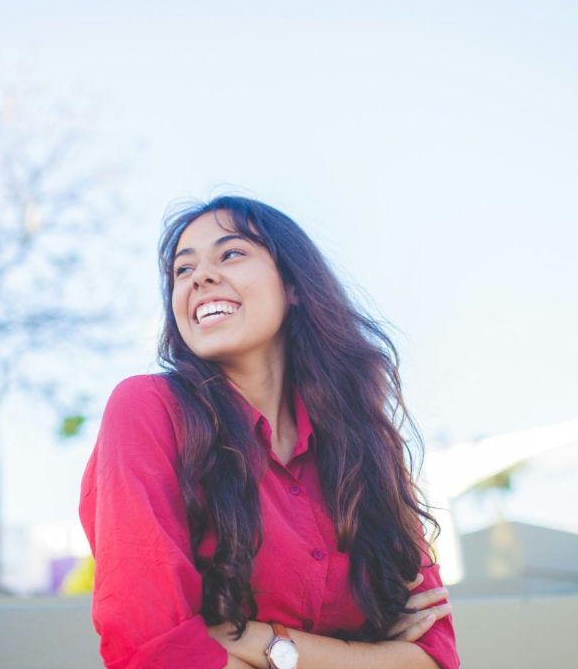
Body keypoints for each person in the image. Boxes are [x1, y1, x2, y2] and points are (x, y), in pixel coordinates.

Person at [80, 196, 460, 669]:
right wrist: (373, 657)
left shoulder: (365, 446)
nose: (200, 277)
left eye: (231, 253)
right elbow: (156, 649)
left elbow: (435, 655)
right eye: (183, 269)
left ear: (293, 284)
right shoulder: (147, 409)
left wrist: (262, 645)